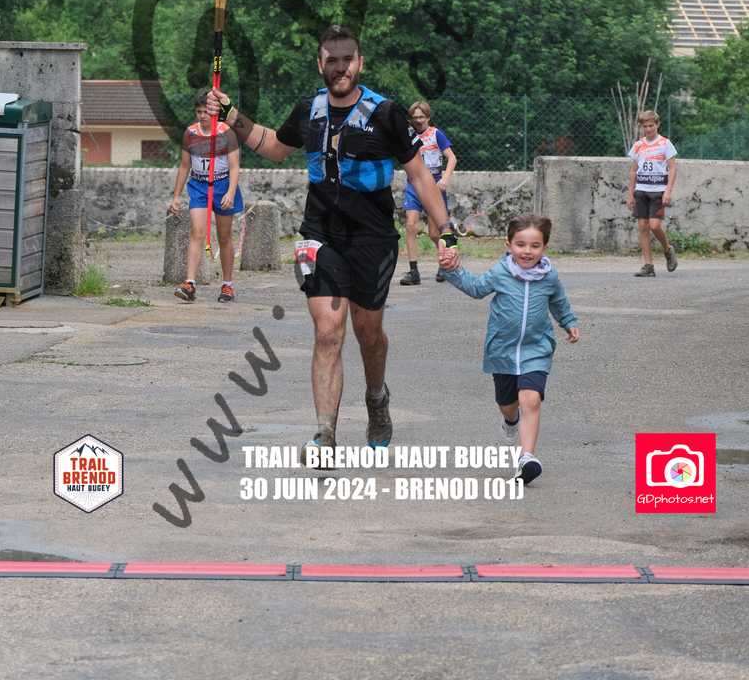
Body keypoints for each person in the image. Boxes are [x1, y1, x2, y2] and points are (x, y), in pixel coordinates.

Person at [205, 25, 459, 466]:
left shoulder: (386, 113)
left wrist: (446, 231)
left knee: (368, 334)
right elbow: (274, 146)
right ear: (320, 64)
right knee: (327, 332)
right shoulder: (310, 110)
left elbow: (419, 175)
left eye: (347, 60)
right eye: (331, 61)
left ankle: (376, 397)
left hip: (373, 238)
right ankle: (325, 436)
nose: (340, 68)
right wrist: (231, 114)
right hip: (320, 234)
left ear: (360, 63)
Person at [441, 213, 579, 485]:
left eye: (535, 245)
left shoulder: (549, 276)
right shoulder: (501, 272)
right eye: (520, 244)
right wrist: (452, 270)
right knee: (507, 405)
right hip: (502, 351)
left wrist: (569, 322)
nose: (527, 251)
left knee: (531, 399)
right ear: (509, 244)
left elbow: (559, 301)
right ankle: (511, 421)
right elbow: (476, 288)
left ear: (545, 247)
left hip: (536, 349)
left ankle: (526, 458)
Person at [168, 89, 244, 304]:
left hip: (222, 185)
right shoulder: (190, 133)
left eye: (206, 112)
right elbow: (184, 166)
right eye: (199, 112)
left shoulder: (226, 133)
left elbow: (235, 167)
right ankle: (189, 283)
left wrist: (230, 192)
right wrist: (176, 196)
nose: (202, 116)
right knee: (197, 232)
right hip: (199, 186)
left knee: (224, 236)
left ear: (215, 112)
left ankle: (227, 285)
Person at [401, 101, 457, 286]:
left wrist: (444, 179)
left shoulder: (435, 134)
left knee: (434, 233)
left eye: (421, 117)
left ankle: (444, 262)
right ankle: (413, 271)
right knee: (411, 225)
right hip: (413, 184)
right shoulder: (407, 135)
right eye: (414, 117)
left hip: (433, 185)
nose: (418, 121)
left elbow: (452, 158)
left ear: (428, 118)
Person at [627, 110, 679, 277]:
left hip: (658, 191)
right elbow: (633, 170)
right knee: (643, 227)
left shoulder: (665, 144)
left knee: (655, 225)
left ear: (657, 125)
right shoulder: (638, 145)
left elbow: (672, 168)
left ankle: (667, 249)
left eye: (651, 125)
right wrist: (630, 194)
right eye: (645, 126)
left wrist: (668, 191)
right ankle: (648, 265)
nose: (648, 129)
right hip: (641, 190)